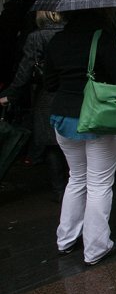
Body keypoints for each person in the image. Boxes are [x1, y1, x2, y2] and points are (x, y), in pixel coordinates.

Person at [44, 9, 116, 265]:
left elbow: (49, 83)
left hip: (63, 117)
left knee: (76, 178)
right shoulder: (102, 38)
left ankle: (66, 239)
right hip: (98, 119)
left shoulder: (56, 40)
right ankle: (96, 247)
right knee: (99, 184)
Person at [1, 11, 66, 201]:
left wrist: (10, 96)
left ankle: (60, 191)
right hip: (74, 93)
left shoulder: (36, 37)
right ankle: (75, 187)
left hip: (48, 94)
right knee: (73, 142)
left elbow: (26, 69)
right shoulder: (70, 34)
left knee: (51, 144)